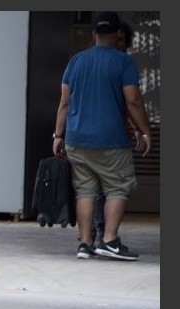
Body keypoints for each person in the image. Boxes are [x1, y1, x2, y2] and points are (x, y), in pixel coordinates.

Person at [53, 11, 151, 261]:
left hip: (77, 140)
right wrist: (144, 131)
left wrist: (58, 135)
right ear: (118, 34)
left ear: (93, 33)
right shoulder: (123, 62)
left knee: (85, 191)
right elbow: (133, 100)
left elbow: (64, 102)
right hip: (111, 141)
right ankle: (109, 240)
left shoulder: (75, 62)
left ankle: (85, 244)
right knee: (118, 186)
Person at [91, 22, 143, 248]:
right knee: (107, 188)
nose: (118, 45)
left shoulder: (118, 65)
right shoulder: (118, 64)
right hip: (107, 136)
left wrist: (137, 128)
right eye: (117, 40)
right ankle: (102, 234)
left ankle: (95, 235)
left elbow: (128, 103)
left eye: (122, 42)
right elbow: (131, 101)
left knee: (98, 189)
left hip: (106, 134)